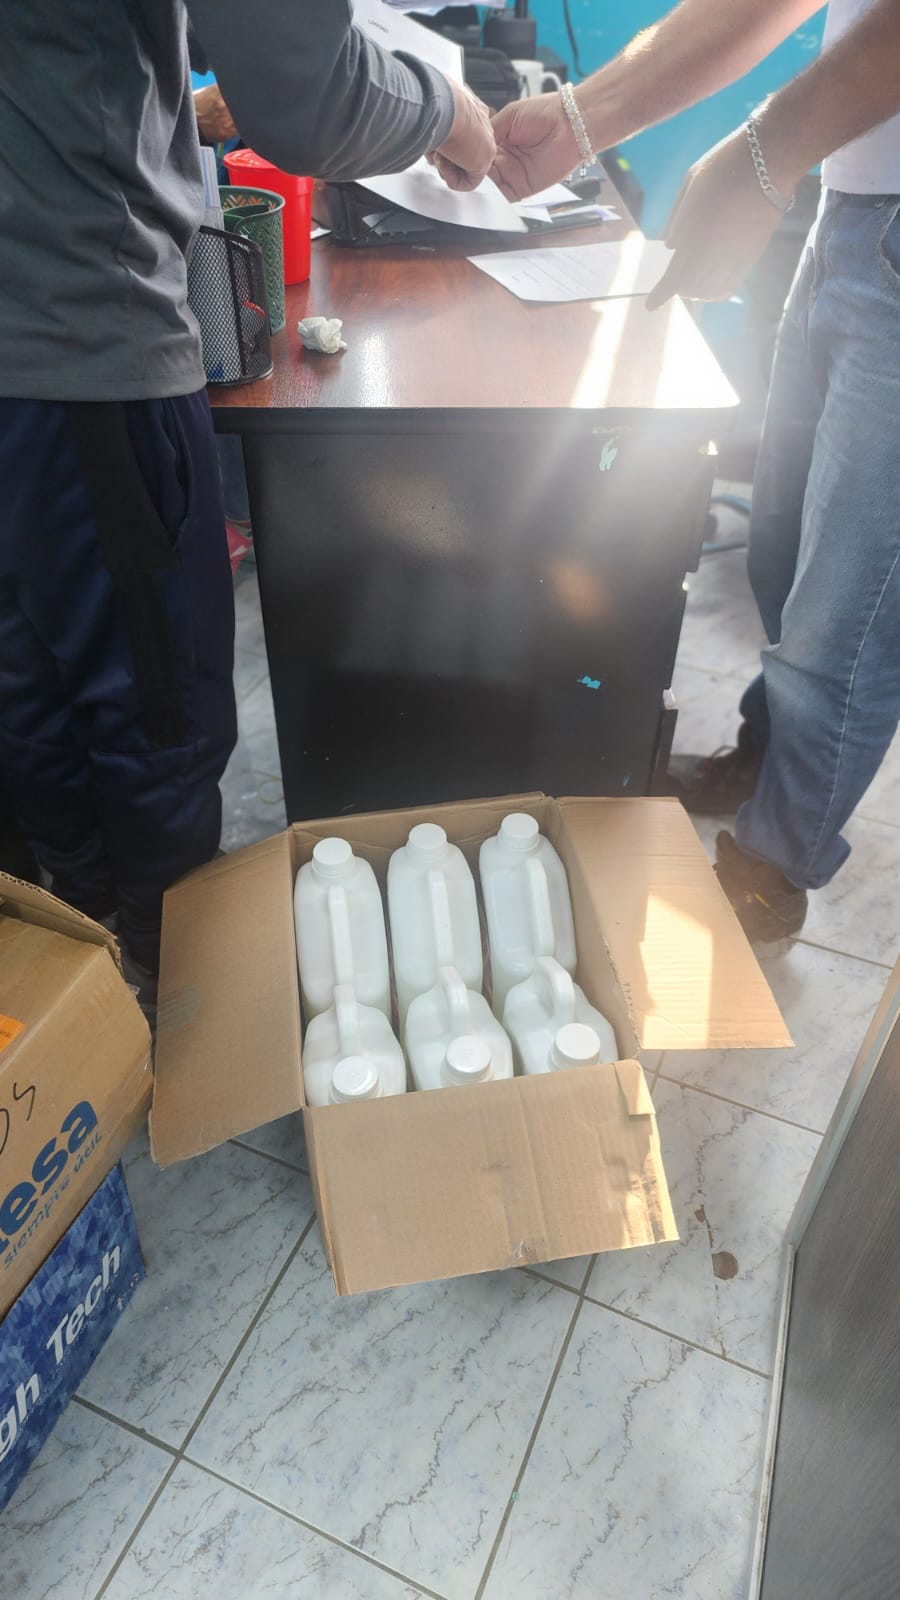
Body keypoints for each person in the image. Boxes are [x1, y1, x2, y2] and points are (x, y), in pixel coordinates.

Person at [0, 1, 495, 997]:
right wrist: (451, 109)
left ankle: (82, 941)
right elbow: (311, 97)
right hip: (78, 349)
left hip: (37, 330)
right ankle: (164, 979)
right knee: (153, 711)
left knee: (27, 682)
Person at [491, 0, 900, 943]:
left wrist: (762, 153)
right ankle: (766, 759)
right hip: (851, 208)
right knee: (782, 553)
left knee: (850, 608)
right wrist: (582, 115)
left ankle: (772, 867)